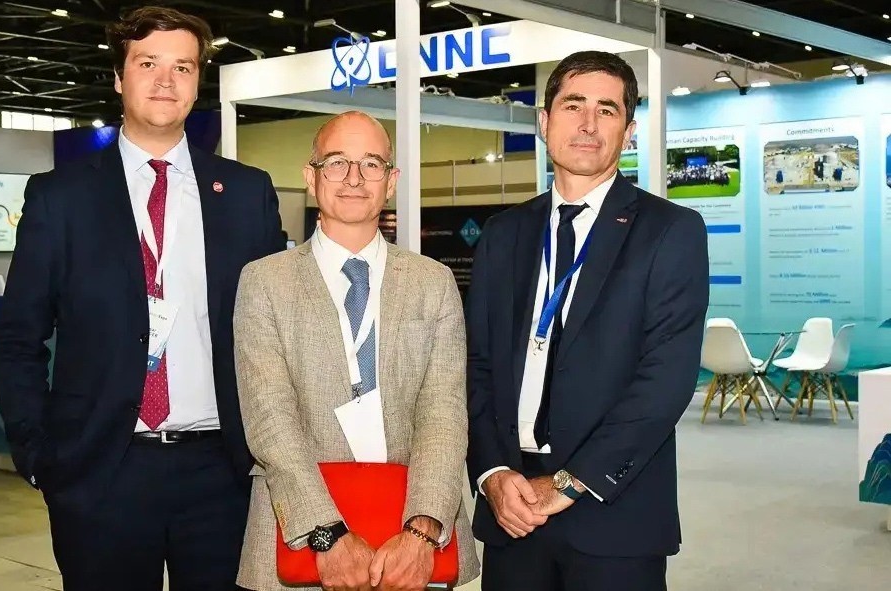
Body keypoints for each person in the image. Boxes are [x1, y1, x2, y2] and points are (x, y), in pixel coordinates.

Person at [0, 6, 283, 590]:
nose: (166, 80)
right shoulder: (60, 197)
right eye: (148, 63)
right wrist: (39, 455)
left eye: (183, 67)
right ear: (119, 78)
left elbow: (276, 331)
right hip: (100, 470)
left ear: (198, 82)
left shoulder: (245, 193)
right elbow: (19, 337)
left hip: (222, 473)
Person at [465, 51, 710, 590]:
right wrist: (492, 473)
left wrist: (569, 483)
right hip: (511, 509)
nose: (588, 123)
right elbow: (477, 367)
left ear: (629, 131)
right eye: (573, 105)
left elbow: (665, 381)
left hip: (612, 513)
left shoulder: (670, 231)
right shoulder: (503, 234)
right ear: (545, 121)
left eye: (607, 109)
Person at [233, 111, 480, 591]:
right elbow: (269, 420)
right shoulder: (264, 282)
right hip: (297, 537)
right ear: (311, 178)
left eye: (370, 164)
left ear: (391, 181)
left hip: (412, 547)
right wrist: (326, 535)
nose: (353, 178)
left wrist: (422, 531)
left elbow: (444, 413)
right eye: (336, 162)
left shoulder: (433, 282)